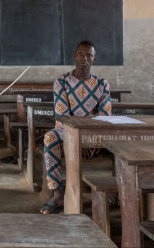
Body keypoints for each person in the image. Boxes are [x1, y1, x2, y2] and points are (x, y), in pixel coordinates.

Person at [39, 40, 112, 214]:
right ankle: (57, 194)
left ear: (94, 59)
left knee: (122, 141)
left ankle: (116, 192)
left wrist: (90, 139)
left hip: (94, 132)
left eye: (89, 55)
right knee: (50, 137)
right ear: (75, 56)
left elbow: (105, 116)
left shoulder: (102, 84)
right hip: (66, 131)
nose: (84, 58)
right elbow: (63, 116)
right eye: (81, 54)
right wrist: (80, 139)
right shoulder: (62, 82)